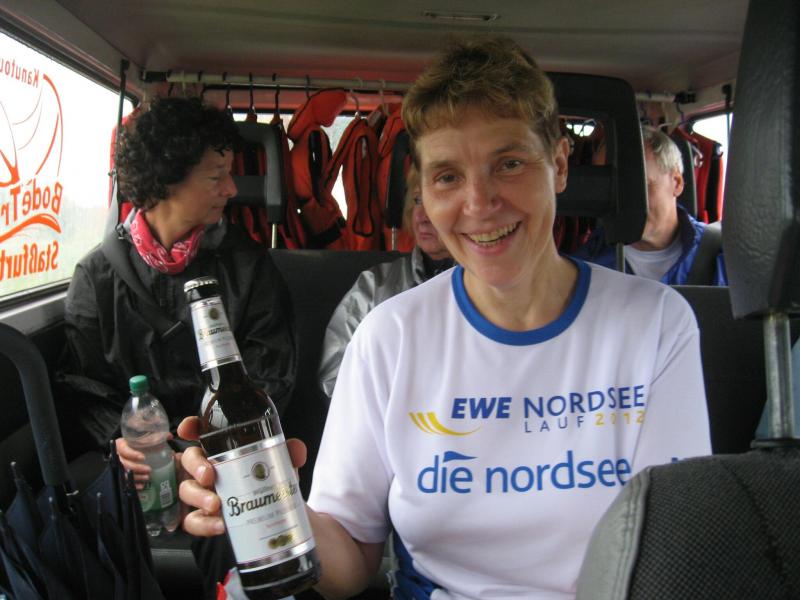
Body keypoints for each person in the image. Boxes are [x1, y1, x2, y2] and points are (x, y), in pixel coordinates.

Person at [178, 37, 711, 599]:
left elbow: (676, 544)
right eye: (448, 176)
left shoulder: (655, 324)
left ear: (558, 165)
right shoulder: (389, 336)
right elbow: (349, 561)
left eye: (509, 164)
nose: (478, 204)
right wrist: (269, 504)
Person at [58, 96, 297, 475]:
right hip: (139, 470)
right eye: (216, 176)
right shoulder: (96, 276)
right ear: (168, 180)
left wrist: (199, 453)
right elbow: (83, 389)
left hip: (227, 461)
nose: (232, 189)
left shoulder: (248, 267)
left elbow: (270, 377)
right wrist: (126, 443)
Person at [317, 167, 453, 400]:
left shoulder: (491, 289)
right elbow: (335, 376)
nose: (422, 216)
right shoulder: (373, 286)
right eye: (417, 201)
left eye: (434, 201)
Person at [573, 125, 727, 285]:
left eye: (640, 186)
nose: (622, 200)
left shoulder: (723, 257)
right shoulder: (584, 268)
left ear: (677, 183)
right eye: (610, 189)